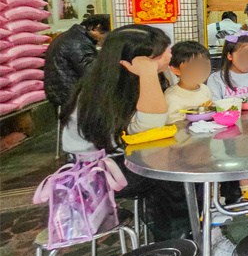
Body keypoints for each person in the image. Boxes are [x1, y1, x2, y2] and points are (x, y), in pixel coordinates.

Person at [59, 25, 187, 241]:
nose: (169, 54)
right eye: (163, 51)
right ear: (137, 60)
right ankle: (176, 245)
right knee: (173, 178)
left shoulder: (130, 83)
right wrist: (147, 73)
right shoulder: (100, 95)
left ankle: (194, 232)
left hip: (125, 159)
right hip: (94, 173)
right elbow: (150, 126)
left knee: (180, 168)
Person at [207, 31, 248, 214]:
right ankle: (222, 202)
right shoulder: (217, 79)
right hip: (227, 133)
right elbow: (215, 106)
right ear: (230, 56)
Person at [43, 13, 110, 111]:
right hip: (70, 96)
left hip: (63, 93)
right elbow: (91, 71)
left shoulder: (72, 37)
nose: (105, 39)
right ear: (96, 28)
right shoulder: (78, 43)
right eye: (105, 34)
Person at [164, 42, 213, 123]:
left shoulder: (205, 89)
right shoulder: (171, 96)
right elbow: (172, 122)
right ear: (176, 70)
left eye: (204, 65)